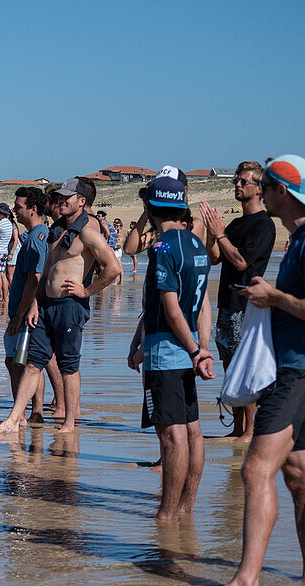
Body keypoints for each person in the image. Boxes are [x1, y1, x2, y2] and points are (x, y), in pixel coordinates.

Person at [207, 154, 305, 586]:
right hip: (301, 368)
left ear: (281, 192)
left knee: (254, 469)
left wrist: (272, 296)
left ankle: (246, 583)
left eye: (264, 186)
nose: (260, 192)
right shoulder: (302, 238)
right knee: (301, 475)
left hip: (299, 371)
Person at [0, 177, 122, 434]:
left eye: (67, 198)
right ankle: (14, 418)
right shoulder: (55, 231)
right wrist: (35, 304)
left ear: (81, 202)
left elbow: (114, 268)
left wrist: (86, 291)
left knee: (68, 366)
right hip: (45, 305)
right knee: (33, 363)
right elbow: (48, 270)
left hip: (70, 306)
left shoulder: (87, 231)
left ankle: (70, 422)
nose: (61, 201)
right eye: (59, 197)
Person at [127, 176, 215, 520]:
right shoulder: (196, 246)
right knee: (192, 430)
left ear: (150, 207)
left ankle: (166, 514)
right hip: (187, 348)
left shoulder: (163, 247)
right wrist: (201, 347)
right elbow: (204, 304)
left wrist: (193, 350)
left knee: (171, 436)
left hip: (167, 352)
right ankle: (185, 508)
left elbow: (168, 305)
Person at [199, 160, 277, 442]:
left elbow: (242, 262)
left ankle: (251, 430)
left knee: (246, 368)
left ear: (259, 189)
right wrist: (212, 232)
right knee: (231, 367)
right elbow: (215, 258)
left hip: (247, 305)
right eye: (236, 181)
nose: (238, 185)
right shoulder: (235, 223)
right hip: (227, 303)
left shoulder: (264, 224)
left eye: (244, 182)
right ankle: (237, 428)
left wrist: (220, 233)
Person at [4, 186, 61, 424]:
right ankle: (34, 411)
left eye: (18, 207)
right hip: (23, 309)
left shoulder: (37, 237)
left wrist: (20, 314)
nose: (15, 210)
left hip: (25, 312)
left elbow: (35, 279)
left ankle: (24, 414)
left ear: (33, 209)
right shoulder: (33, 235)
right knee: (29, 361)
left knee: (19, 363)